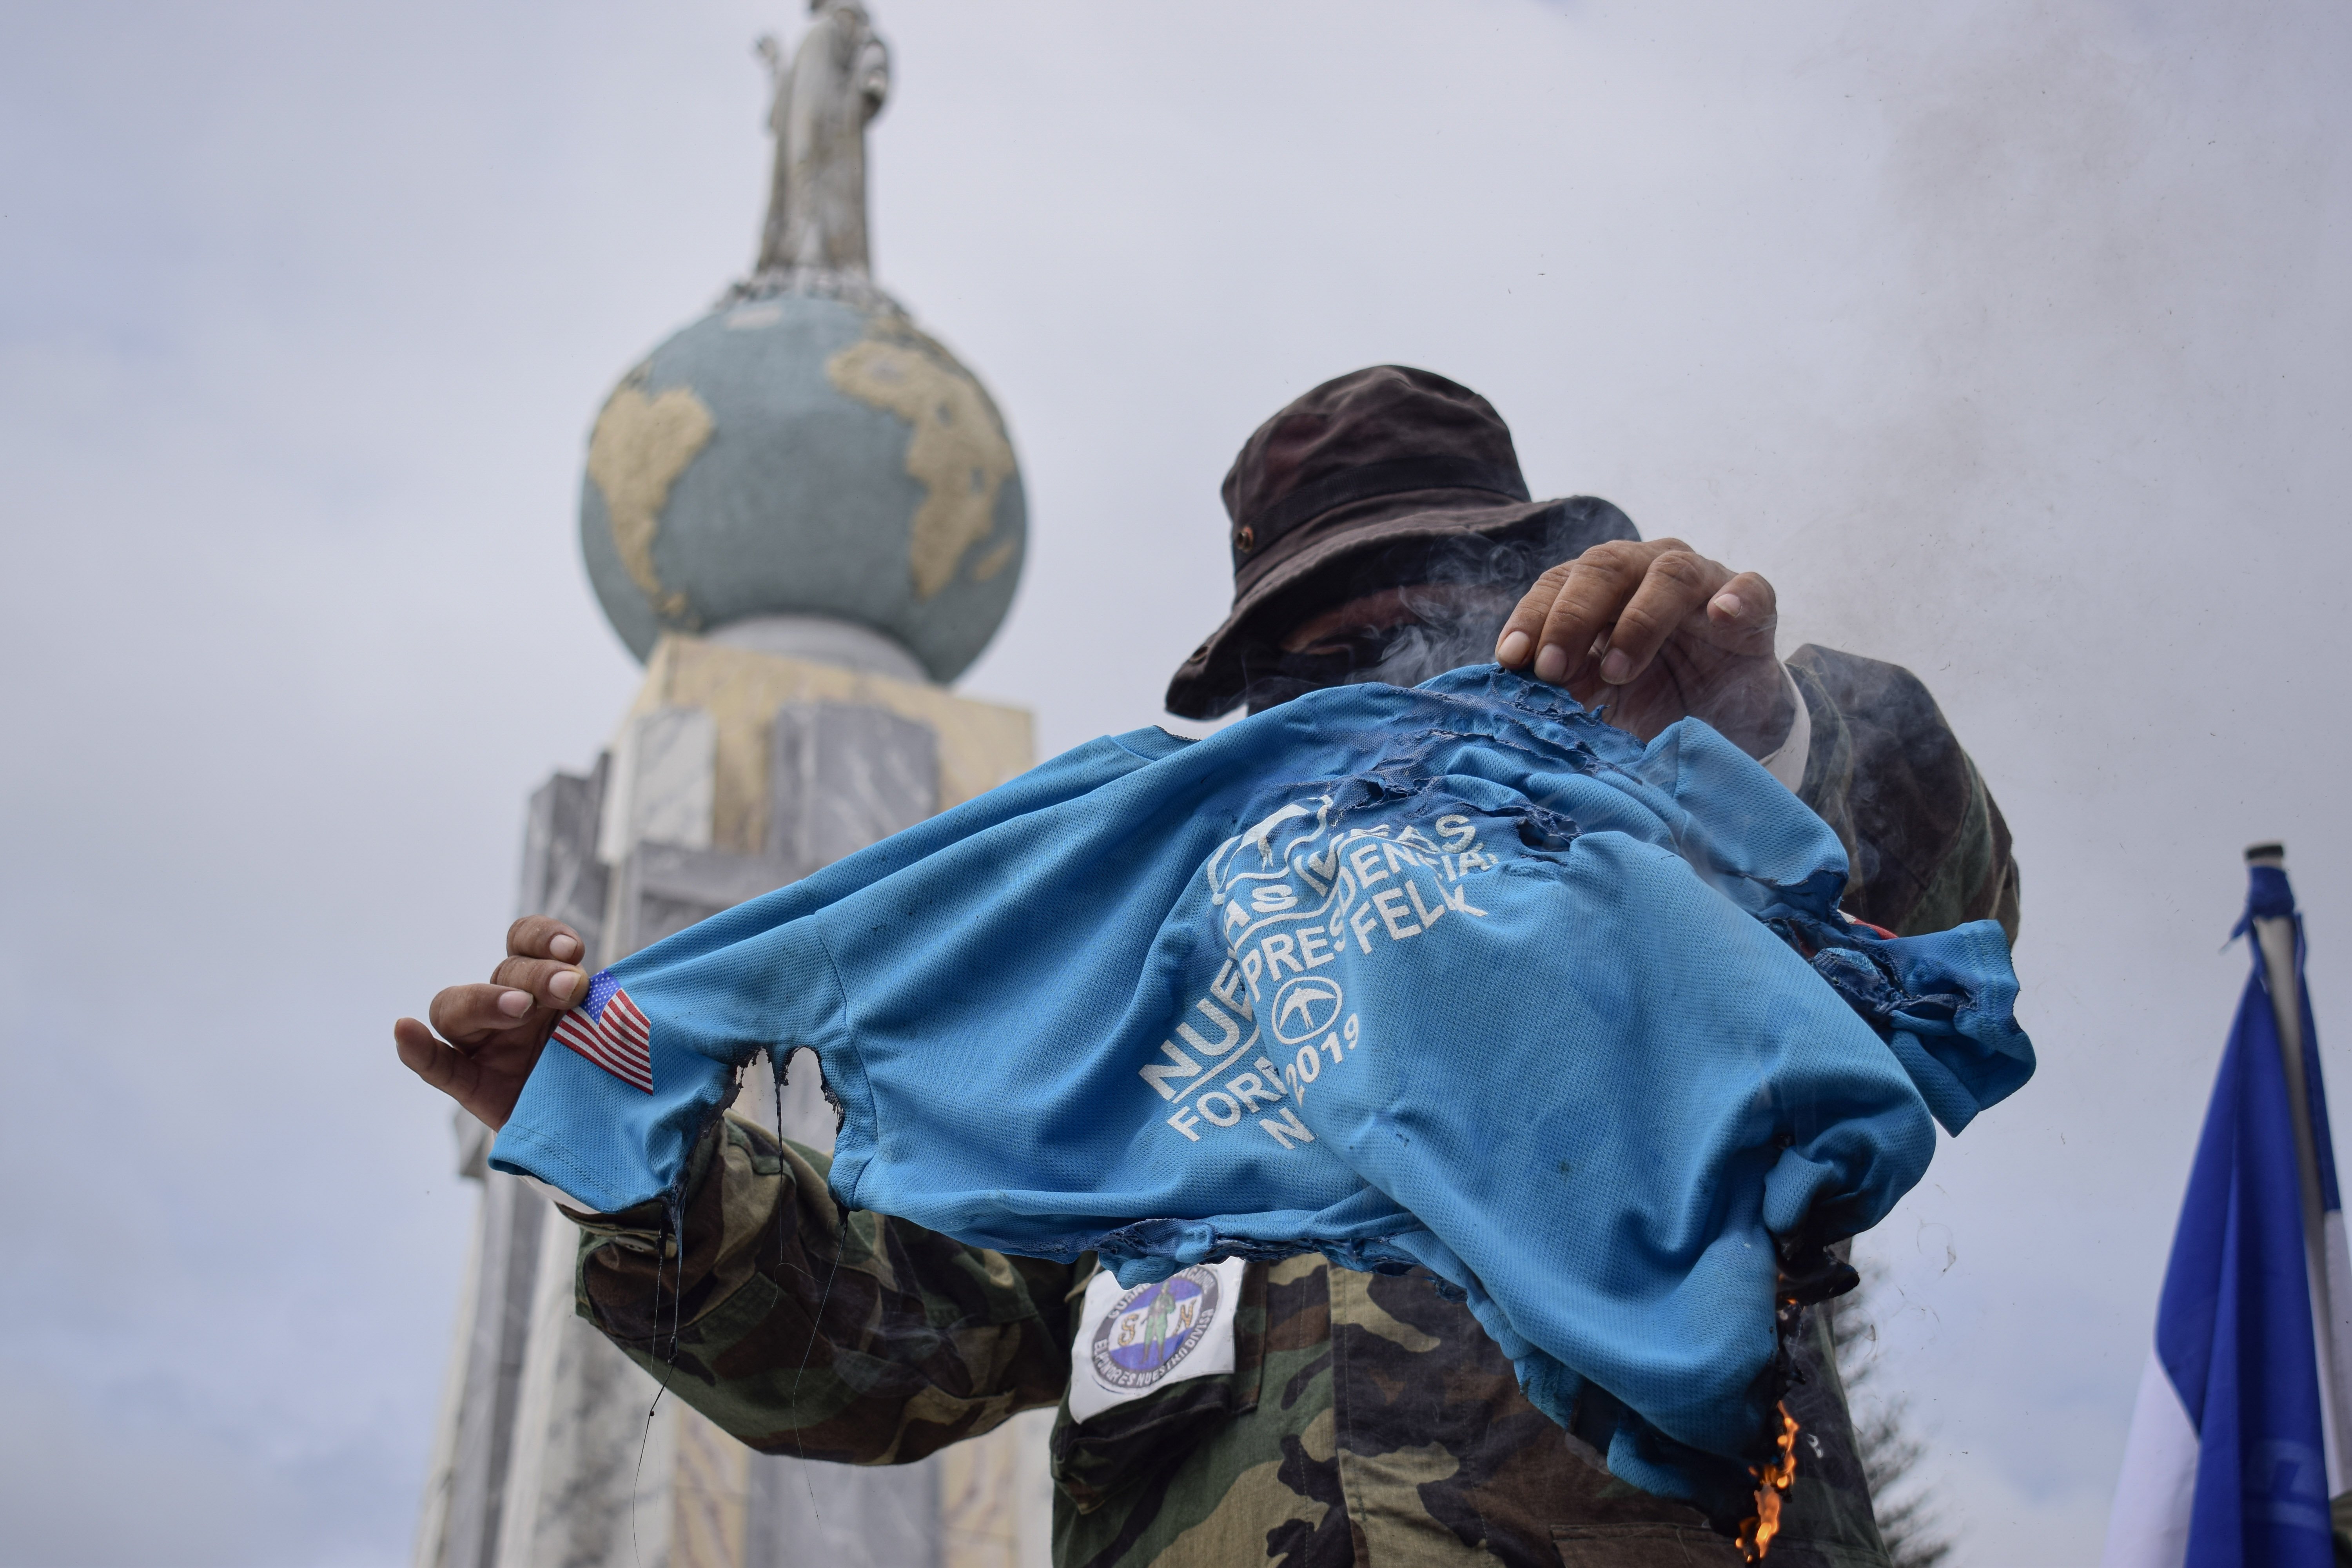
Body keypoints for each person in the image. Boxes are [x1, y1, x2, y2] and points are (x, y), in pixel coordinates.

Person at [397, 366, 2019, 1568]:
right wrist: (638, 1155)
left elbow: (1919, 916)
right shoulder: (1135, 980)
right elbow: (897, 1343)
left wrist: (1748, 737)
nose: (1374, 683)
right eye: (1314, 653)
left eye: (1434, 611)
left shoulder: (1657, 832)